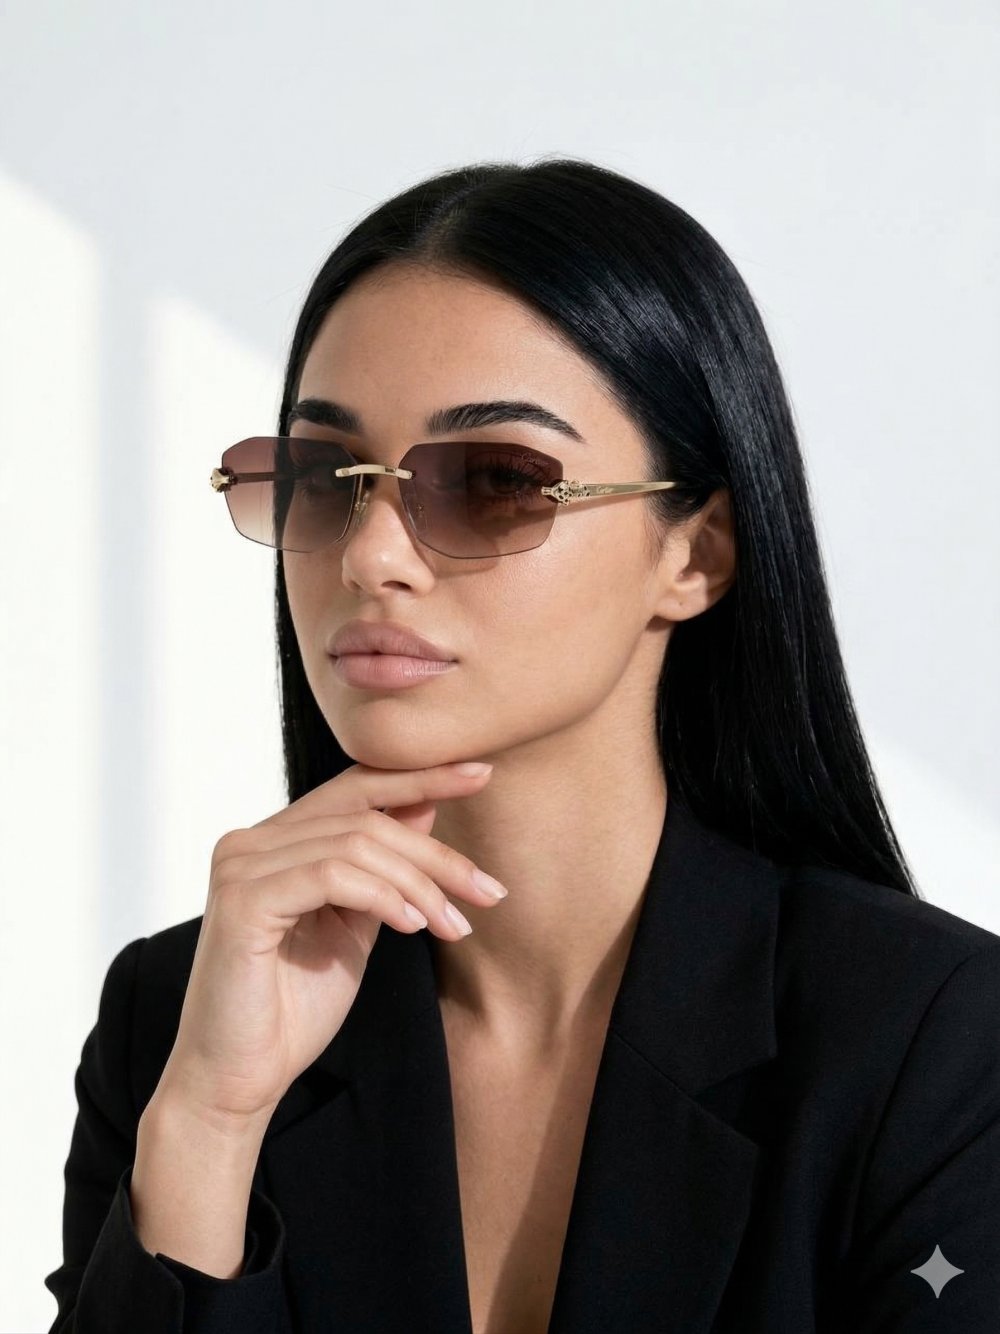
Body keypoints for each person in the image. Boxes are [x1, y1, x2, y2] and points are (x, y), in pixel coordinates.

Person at [45, 158, 1000, 1333]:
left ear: (694, 553)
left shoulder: (929, 1041)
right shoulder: (180, 1023)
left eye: (495, 481)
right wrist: (208, 1121)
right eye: (324, 477)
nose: (370, 557)